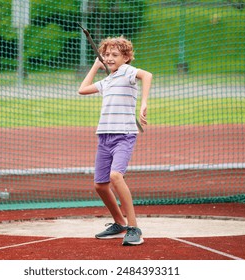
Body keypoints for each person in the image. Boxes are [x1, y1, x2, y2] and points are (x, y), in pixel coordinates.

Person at [78, 36, 152, 246]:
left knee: (115, 176)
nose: (110, 58)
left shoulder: (127, 72)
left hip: (124, 135)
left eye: (115, 55)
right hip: (104, 136)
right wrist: (95, 65)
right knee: (100, 185)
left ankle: (134, 228)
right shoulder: (107, 81)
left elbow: (147, 75)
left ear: (126, 57)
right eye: (107, 55)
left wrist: (143, 104)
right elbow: (82, 89)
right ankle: (119, 223)